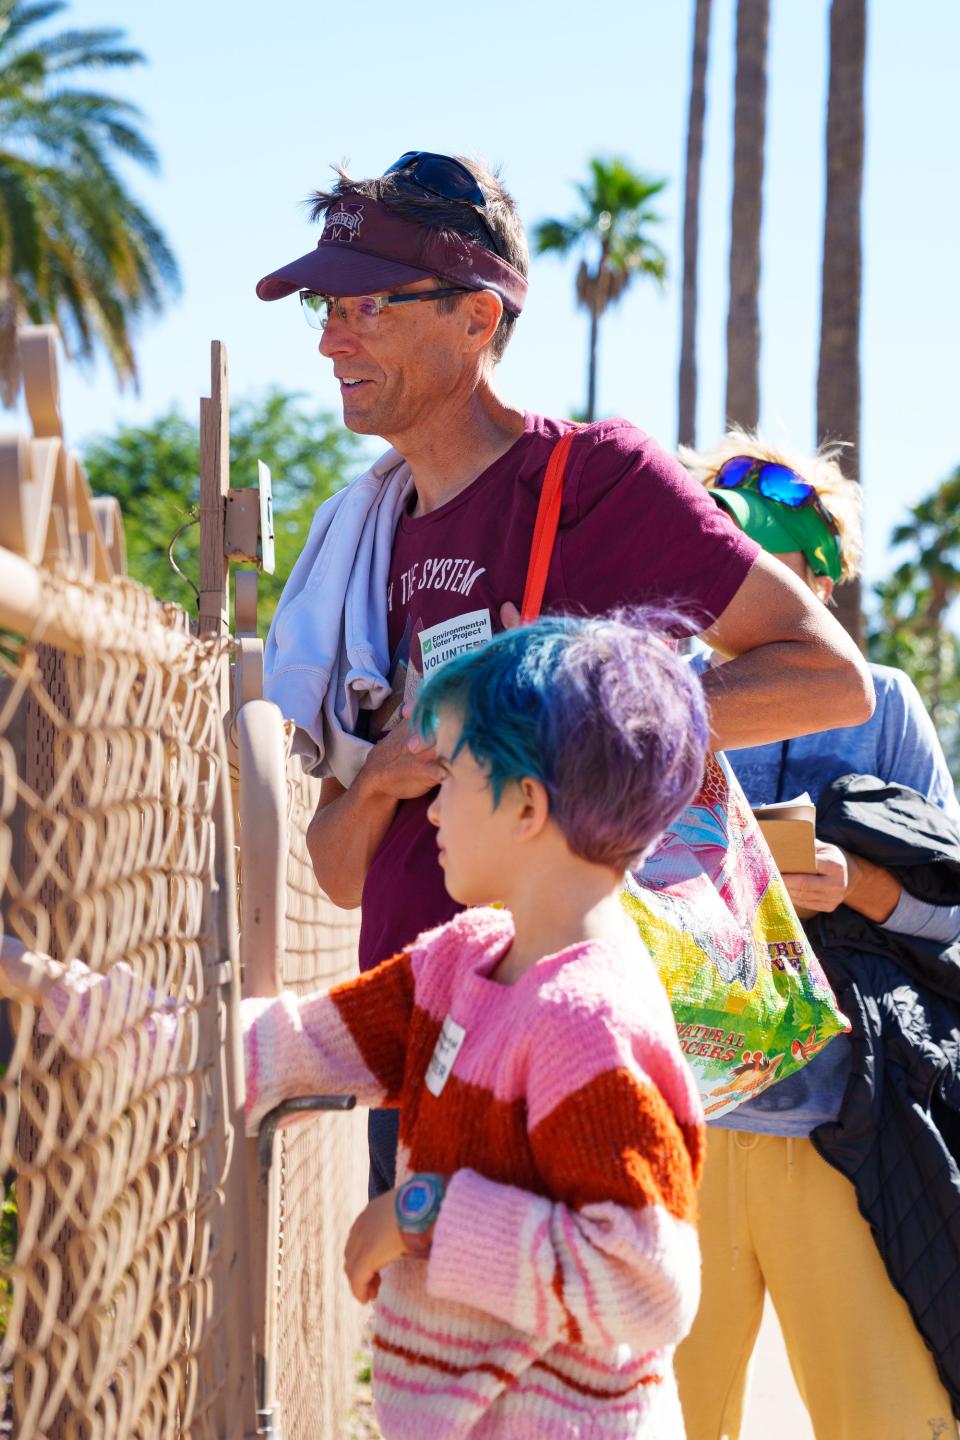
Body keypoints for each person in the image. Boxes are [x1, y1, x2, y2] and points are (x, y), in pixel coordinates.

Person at [255, 152, 874, 1196]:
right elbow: (341, 871)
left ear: (478, 319)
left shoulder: (595, 481)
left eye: (370, 307)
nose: (331, 338)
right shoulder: (363, 538)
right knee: (430, 1356)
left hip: (569, 1050)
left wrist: (580, 716)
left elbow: (828, 676)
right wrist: (386, 775)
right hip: (424, 1055)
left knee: (583, 1342)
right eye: (327, 306)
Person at [241, 612, 709, 1437]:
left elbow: (645, 1286)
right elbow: (289, 1045)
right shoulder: (466, 959)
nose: (430, 811)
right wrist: (61, 995)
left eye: (450, 776)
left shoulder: (587, 1020)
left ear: (526, 804)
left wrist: (423, 1212)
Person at [675, 430, 960, 1440]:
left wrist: (861, 884)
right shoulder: (650, 697)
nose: (738, 581)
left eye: (770, 557)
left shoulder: (884, 704)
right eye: (716, 552)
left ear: (822, 572)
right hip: (673, 1128)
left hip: (844, 1135)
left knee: (889, 1423)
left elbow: (955, 920)